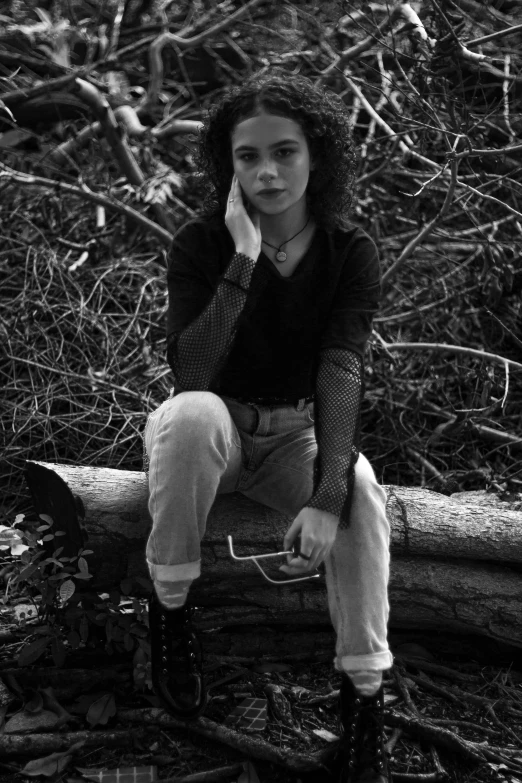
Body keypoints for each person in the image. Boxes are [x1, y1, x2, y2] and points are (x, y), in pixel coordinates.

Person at [143, 71, 393, 783]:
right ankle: (171, 610)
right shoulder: (200, 242)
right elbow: (191, 375)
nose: (267, 171)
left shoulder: (350, 252)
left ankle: (364, 700)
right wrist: (243, 258)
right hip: (209, 434)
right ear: (228, 165)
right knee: (189, 414)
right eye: (248, 157)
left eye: (284, 152)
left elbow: (341, 371)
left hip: (293, 435)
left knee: (363, 489)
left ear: (317, 154)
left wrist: (324, 497)